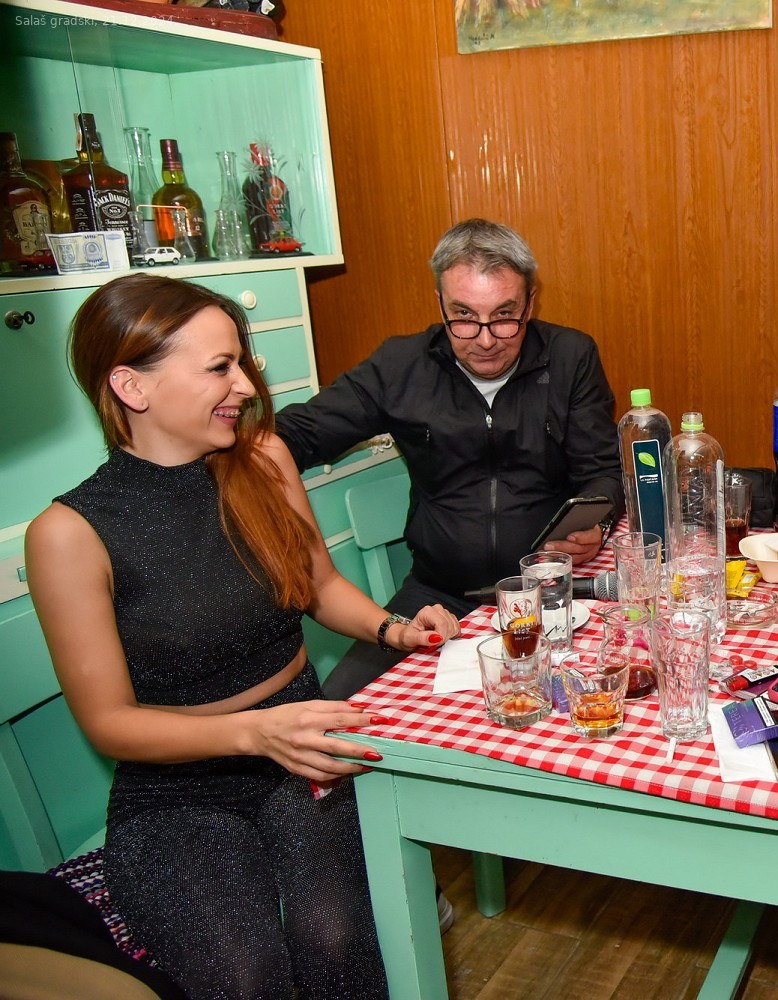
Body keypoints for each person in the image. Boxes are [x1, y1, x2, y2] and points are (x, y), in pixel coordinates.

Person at [24, 273, 460, 998]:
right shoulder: (68, 533)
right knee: (245, 976)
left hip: (302, 752)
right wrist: (253, 733)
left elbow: (318, 584)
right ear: (132, 386)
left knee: (337, 939)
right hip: (176, 792)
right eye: (219, 368)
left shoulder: (261, 460)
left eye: (241, 363)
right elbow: (109, 722)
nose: (246, 387)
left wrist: (394, 629)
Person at [277, 218, 624, 697]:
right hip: (439, 596)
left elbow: (603, 471)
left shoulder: (570, 355)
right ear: (439, 302)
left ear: (530, 303)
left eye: (504, 315)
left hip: (550, 591)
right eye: (463, 315)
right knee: (339, 709)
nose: (485, 339)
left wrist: (595, 525)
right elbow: (298, 433)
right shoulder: (400, 365)